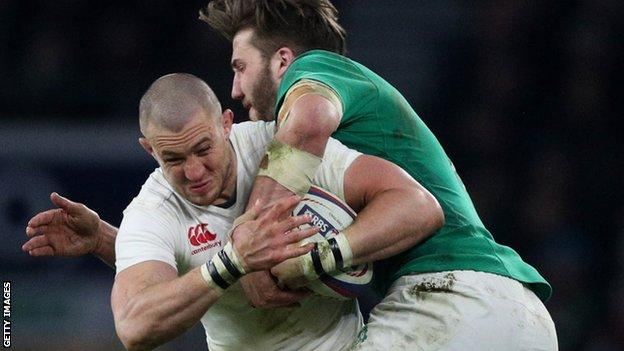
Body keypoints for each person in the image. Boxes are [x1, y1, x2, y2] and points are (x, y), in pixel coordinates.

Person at [200, 1, 558, 349]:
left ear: (282, 61)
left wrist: (253, 237)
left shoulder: (315, 67)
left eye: (240, 67)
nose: (234, 89)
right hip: (518, 313)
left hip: (452, 300)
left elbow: (309, 119)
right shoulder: (354, 122)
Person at [24, 73, 443, 350]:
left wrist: (323, 258)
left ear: (227, 123)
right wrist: (234, 262)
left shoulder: (281, 148)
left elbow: (419, 207)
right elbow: (135, 326)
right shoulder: (151, 212)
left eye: (204, 148)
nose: (194, 171)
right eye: (172, 158)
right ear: (149, 150)